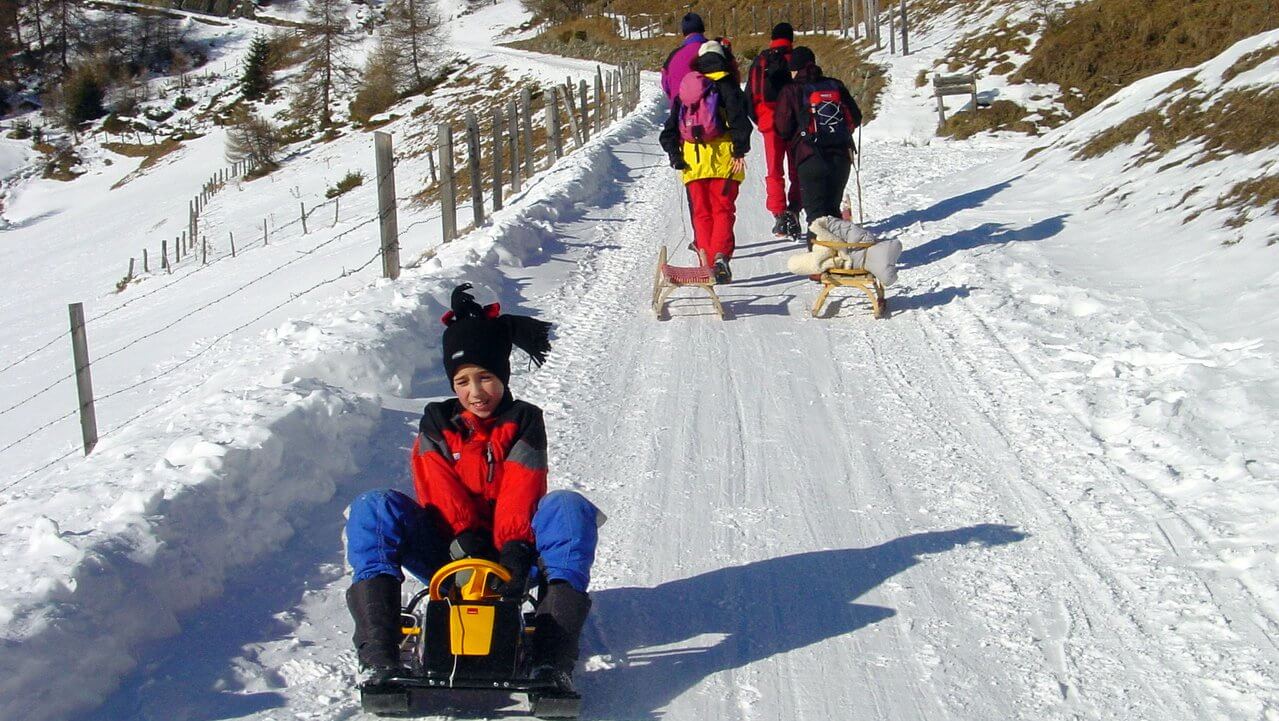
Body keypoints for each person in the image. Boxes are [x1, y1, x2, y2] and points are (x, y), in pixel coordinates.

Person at [343, 284, 601, 695]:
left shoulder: (524, 420)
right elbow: (437, 488)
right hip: (448, 555)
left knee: (569, 509)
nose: (475, 392)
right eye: (462, 381)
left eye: (486, 378)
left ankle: (552, 660)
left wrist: (515, 549)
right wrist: (465, 541)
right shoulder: (437, 422)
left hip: (513, 562)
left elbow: (523, 484)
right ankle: (379, 657)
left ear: (503, 375)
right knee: (374, 506)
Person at [659, 41, 752, 284]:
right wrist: (740, 151)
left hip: (693, 161)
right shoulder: (728, 86)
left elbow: (668, 132)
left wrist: (676, 157)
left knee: (701, 213)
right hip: (724, 160)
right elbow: (742, 123)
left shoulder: (688, 88)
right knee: (723, 209)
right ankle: (720, 256)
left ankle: (706, 263)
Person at [774, 46, 862, 245]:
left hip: (810, 158)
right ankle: (838, 261)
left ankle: (820, 265)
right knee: (832, 210)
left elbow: (783, 128)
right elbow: (855, 117)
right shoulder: (835, 85)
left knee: (815, 216)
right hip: (841, 156)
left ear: (794, 69)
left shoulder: (791, 90)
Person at [744, 23, 802, 237]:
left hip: (769, 123)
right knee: (797, 169)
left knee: (774, 170)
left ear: (772, 38)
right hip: (795, 123)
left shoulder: (761, 60)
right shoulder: (796, 59)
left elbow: (748, 96)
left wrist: (759, 120)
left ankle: (779, 215)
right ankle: (795, 209)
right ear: (791, 39)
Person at [660, 13, 708, 105]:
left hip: (681, 113)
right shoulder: (716, 49)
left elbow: (666, 85)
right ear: (702, 28)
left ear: (684, 32)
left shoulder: (674, 56)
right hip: (713, 114)